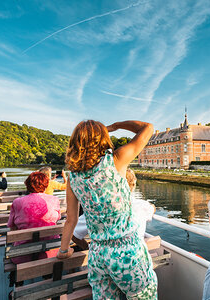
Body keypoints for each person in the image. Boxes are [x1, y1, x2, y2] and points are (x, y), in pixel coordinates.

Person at [58, 120, 157, 300]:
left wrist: (63, 251)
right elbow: (148, 128)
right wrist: (116, 126)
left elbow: (71, 219)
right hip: (128, 255)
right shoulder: (116, 161)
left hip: (98, 256)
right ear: (102, 138)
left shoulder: (73, 177)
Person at [71, 168, 155, 250]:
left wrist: (87, 247)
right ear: (133, 185)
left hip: (105, 259)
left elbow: (74, 235)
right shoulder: (143, 206)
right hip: (137, 257)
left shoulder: (96, 208)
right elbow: (153, 208)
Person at [7, 171, 61, 264]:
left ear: (27, 185)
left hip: (22, 255)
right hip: (51, 252)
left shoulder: (17, 202)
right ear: (46, 185)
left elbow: (12, 226)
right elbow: (57, 218)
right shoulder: (54, 199)